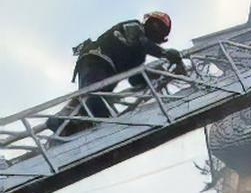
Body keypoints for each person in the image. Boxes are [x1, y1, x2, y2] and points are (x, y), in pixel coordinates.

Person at [48, 12, 184, 135]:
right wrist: (164, 53)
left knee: (93, 103)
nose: (156, 29)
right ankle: (62, 122)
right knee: (95, 97)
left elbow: (134, 78)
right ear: (148, 22)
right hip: (96, 61)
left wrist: (157, 74)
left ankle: (68, 125)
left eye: (160, 29)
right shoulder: (134, 26)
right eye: (156, 25)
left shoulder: (139, 55)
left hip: (105, 72)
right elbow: (141, 41)